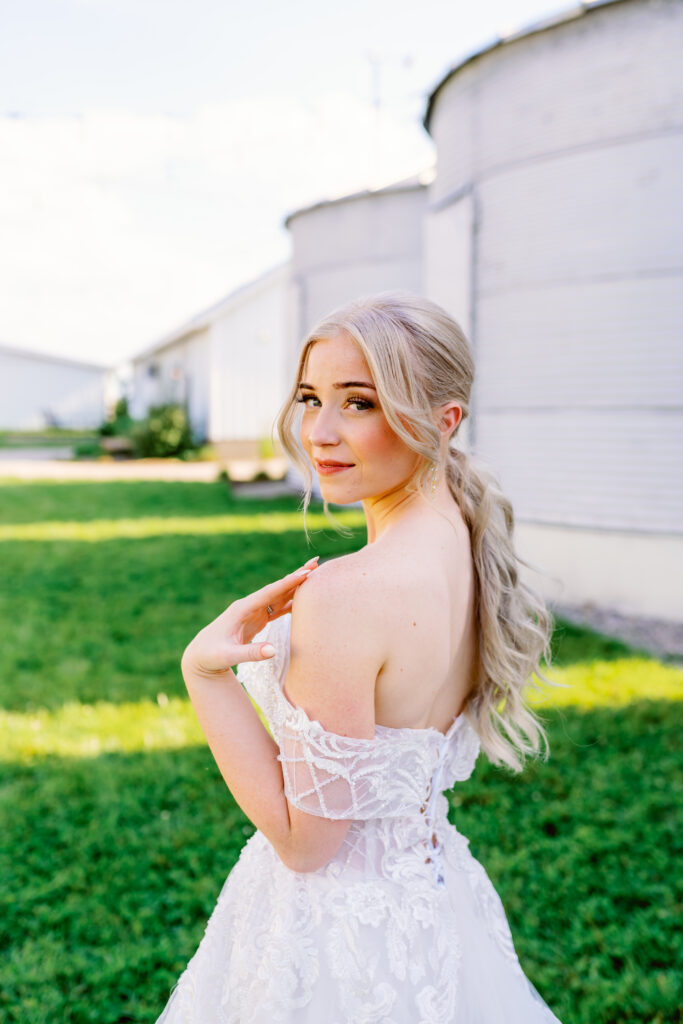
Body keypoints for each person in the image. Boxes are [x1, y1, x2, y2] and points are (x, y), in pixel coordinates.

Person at [155, 292, 563, 1023]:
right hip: (433, 907)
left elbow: (307, 843)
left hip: (334, 935)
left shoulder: (345, 595)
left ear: (443, 420)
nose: (320, 432)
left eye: (361, 403)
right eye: (312, 398)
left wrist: (205, 673)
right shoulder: (466, 544)